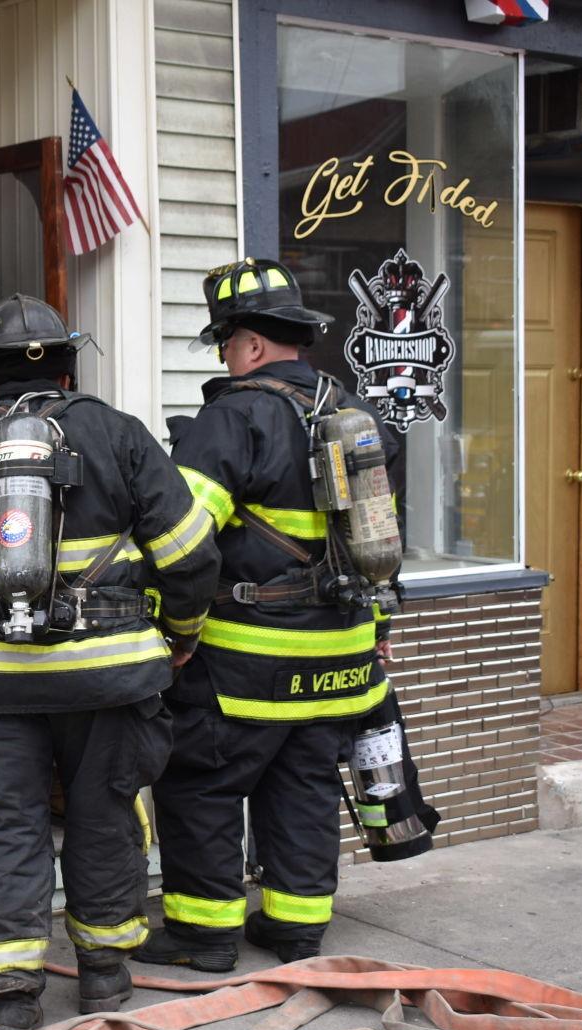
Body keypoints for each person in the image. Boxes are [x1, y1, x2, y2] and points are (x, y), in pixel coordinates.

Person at [0, 294, 220, 1030]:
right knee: (105, 818)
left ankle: (13, 994)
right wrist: (180, 634)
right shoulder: (118, 434)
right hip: (109, 676)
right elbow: (190, 553)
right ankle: (104, 975)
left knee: (5, 826)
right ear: (66, 362)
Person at [136, 258, 399, 973]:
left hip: (244, 662)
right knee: (305, 786)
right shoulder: (356, 415)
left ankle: (204, 935)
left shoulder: (232, 418)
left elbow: (184, 545)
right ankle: (296, 929)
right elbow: (377, 545)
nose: (225, 355)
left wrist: (173, 633)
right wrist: (375, 637)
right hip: (340, 658)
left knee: (202, 786)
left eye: (226, 342)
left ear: (250, 345)